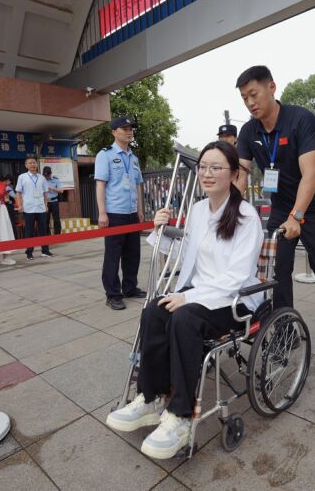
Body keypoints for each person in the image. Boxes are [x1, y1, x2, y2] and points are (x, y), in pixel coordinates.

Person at [105, 141, 263, 460]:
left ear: (234, 174)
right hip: (198, 296)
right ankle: (150, 397)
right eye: (203, 167)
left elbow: (235, 277)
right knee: (153, 310)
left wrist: (188, 296)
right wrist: (159, 230)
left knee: (183, 318)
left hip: (234, 302)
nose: (207, 173)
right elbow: (185, 255)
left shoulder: (247, 216)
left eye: (216, 167)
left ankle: (180, 416)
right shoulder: (198, 210)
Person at [234, 65, 315, 326]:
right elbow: (241, 173)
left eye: (253, 94)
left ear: (271, 87)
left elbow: (311, 174)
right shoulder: (248, 132)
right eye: (244, 98)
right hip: (281, 206)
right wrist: (229, 209)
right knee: (277, 267)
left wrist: (296, 217)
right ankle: (284, 328)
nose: (250, 103)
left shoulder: (301, 120)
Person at [95, 116, 146, 310]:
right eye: (124, 128)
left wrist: (140, 210)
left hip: (132, 213)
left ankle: (130, 288)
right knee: (113, 256)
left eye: (131, 128)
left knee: (133, 254)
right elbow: (101, 184)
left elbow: (138, 185)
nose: (129, 132)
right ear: (114, 132)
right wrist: (102, 213)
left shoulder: (134, 158)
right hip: (115, 213)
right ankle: (113, 294)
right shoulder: (105, 155)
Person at [15, 156, 53, 260]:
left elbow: (45, 193)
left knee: (43, 230)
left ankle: (45, 251)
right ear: (26, 165)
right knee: (29, 231)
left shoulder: (42, 178)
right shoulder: (22, 177)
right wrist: (20, 205)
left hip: (41, 208)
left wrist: (46, 205)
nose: (33, 165)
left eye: (34, 163)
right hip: (28, 208)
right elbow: (18, 192)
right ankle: (29, 252)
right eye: (30, 163)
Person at [43, 166, 63, 234]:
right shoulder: (42, 180)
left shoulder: (56, 180)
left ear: (50, 173)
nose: (46, 177)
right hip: (46, 202)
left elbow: (61, 190)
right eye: (45, 175)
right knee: (46, 220)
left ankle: (57, 234)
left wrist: (53, 189)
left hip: (54, 202)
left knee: (56, 219)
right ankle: (47, 235)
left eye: (48, 175)